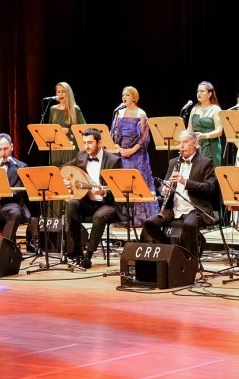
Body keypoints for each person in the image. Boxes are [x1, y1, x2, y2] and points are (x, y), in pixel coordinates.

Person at [141, 130, 218, 257]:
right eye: (180, 143)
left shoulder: (206, 162)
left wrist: (185, 181)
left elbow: (209, 188)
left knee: (189, 224)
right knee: (149, 223)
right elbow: (164, 184)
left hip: (195, 208)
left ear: (195, 143)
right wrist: (164, 189)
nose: (182, 146)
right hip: (175, 208)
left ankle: (192, 260)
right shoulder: (173, 162)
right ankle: (171, 251)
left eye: (185, 142)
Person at [63, 128, 121, 269]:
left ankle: (88, 255)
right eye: (84, 143)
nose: (86, 146)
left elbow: (118, 191)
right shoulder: (81, 155)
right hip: (88, 202)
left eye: (90, 143)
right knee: (72, 204)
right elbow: (64, 168)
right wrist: (67, 180)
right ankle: (76, 250)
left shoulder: (114, 160)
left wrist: (104, 193)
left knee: (99, 216)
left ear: (99, 142)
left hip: (108, 204)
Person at [111, 86, 158, 226]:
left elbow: (144, 138)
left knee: (138, 184)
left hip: (137, 155)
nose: (124, 97)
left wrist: (132, 150)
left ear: (134, 97)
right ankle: (126, 218)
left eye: (127, 95)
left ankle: (141, 219)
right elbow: (113, 134)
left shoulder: (141, 113)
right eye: (122, 95)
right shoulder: (118, 113)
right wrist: (119, 148)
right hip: (122, 154)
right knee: (124, 186)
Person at [48, 81, 85, 167]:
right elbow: (49, 127)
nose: (61, 94)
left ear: (68, 94)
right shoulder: (53, 109)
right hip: (56, 145)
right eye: (58, 92)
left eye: (63, 92)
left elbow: (84, 128)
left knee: (67, 170)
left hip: (70, 144)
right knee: (56, 170)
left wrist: (68, 130)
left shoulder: (75, 109)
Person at [189, 81, 223, 165]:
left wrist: (204, 136)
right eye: (198, 91)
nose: (199, 93)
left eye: (202, 91)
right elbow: (189, 130)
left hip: (212, 145)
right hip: (197, 145)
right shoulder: (194, 109)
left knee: (211, 173)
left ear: (209, 94)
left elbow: (219, 131)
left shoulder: (216, 109)